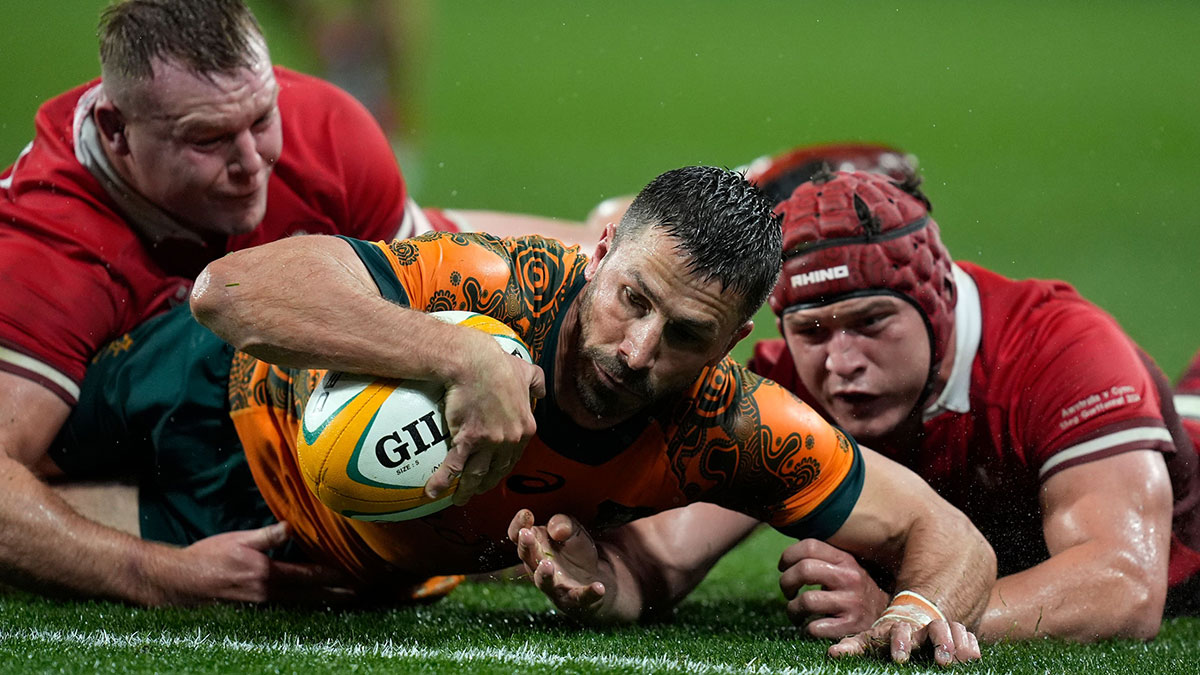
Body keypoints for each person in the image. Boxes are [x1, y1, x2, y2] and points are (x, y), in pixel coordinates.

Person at [60, 166, 991, 664]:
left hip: (291, 554)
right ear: (595, 257)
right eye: (632, 298)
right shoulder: (495, 283)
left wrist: (919, 607)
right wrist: (457, 353)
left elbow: (947, 537)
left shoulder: (732, 428)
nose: (636, 350)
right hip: (206, 392)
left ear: (734, 343)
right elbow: (231, 292)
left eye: (684, 333)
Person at [0, 0, 491, 606]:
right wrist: (155, 573)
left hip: (237, 409)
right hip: (137, 450)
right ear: (114, 130)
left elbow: (432, 299)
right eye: (207, 138)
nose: (253, 163)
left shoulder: (323, 130)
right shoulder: (44, 256)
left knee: (603, 242)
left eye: (262, 119)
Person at [742, 165, 1200, 642]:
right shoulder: (789, 381)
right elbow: (668, 551)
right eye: (811, 330)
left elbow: (1123, 586)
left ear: (938, 298)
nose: (841, 361)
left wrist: (918, 612)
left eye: (872, 321)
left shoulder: (1059, 350)